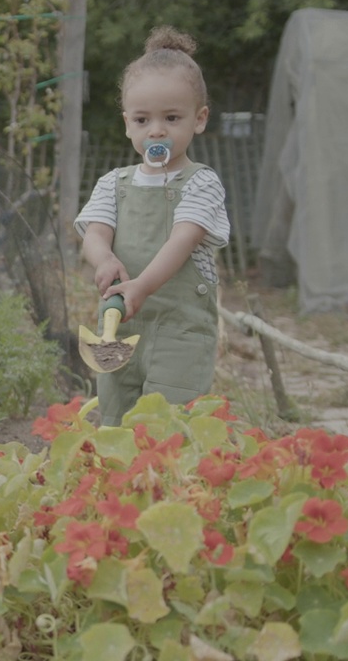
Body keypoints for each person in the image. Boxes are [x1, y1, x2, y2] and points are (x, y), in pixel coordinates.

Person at [74, 26, 231, 425]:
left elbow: (183, 239)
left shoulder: (201, 182)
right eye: (143, 119)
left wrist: (141, 287)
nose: (156, 130)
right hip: (119, 324)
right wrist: (104, 260)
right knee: (115, 414)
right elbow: (95, 233)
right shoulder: (113, 183)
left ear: (199, 119)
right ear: (127, 123)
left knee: (168, 423)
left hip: (180, 331)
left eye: (171, 118)